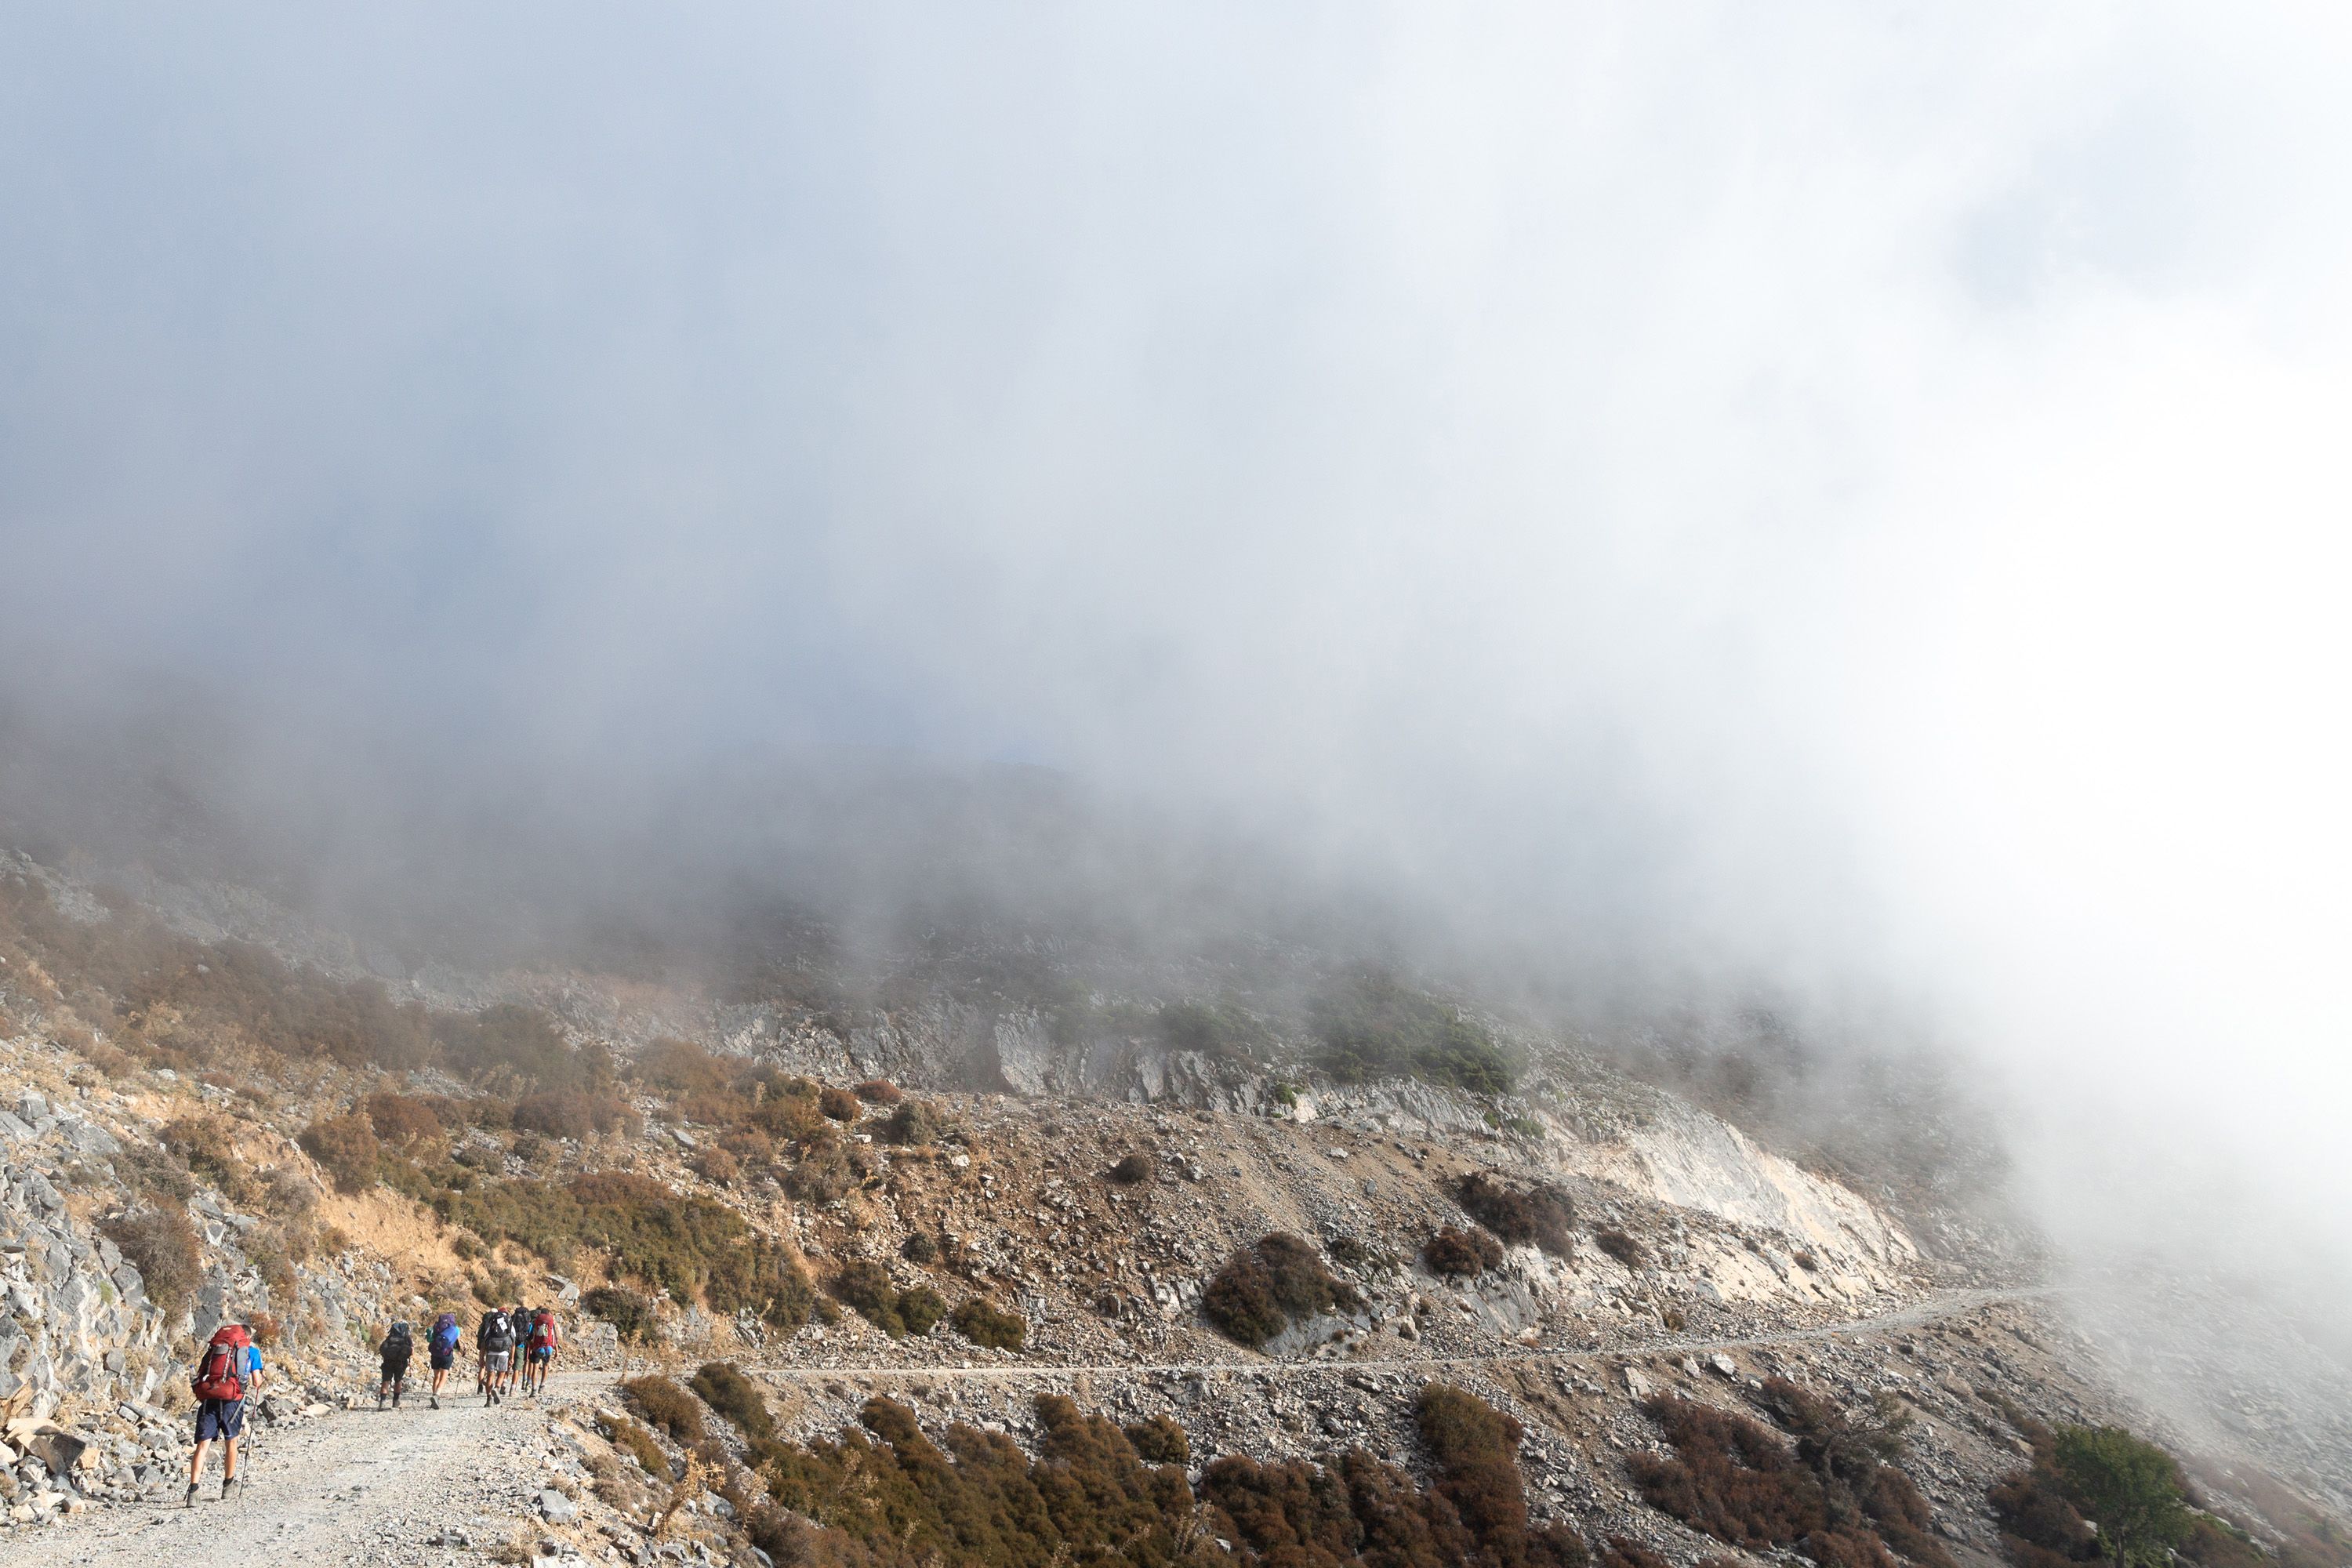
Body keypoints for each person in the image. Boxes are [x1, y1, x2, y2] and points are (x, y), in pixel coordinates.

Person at [186, 1320, 264, 1506]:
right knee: (231, 1442)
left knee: (202, 1446)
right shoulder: (252, 1352)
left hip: (210, 1397)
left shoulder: (216, 1350)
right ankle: (228, 1486)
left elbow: (202, 1373)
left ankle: (193, 1491)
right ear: (248, 1337)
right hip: (233, 1402)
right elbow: (256, 1381)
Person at [477, 1305, 514, 1406]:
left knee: (490, 1376)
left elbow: (484, 1342)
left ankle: (489, 1399)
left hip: (491, 1352)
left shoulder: (491, 1325)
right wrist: (512, 1358)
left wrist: (481, 1358)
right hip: (504, 1353)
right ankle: (497, 1388)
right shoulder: (509, 1324)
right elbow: (513, 1343)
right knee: (501, 1374)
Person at [426, 1311, 463, 1409]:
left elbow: (430, 1339)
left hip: (435, 1354)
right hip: (447, 1354)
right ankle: (437, 1395)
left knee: (436, 1377)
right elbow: (457, 1343)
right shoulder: (455, 1329)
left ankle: (434, 1395)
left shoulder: (436, 1327)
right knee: (443, 1377)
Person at [376, 1319, 412, 1409]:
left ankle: (382, 1403)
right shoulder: (407, 1339)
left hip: (388, 1362)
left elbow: (382, 1349)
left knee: (386, 1381)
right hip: (400, 1362)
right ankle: (395, 1401)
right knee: (398, 1380)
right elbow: (411, 1352)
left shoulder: (390, 1338)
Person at [524, 1306, 558, 1395]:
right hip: (548, 1348)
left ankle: (534, 1389)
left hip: (537, 1348)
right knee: (545, 1366)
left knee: (535, 1368)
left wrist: (529, 1342)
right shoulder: (551, 1324)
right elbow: (555, 1337)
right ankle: (542, 1386)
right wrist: (557, 1351)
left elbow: (531, 1336)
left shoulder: (536, 1322)